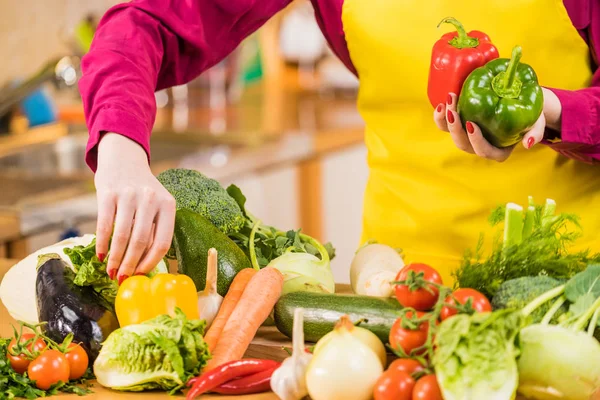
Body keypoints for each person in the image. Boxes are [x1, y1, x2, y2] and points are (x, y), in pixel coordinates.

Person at [80, 0, 600, 286]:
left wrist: (553, 114)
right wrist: (120, 145)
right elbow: (147, 23)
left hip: (572, 289)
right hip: (398, 288)